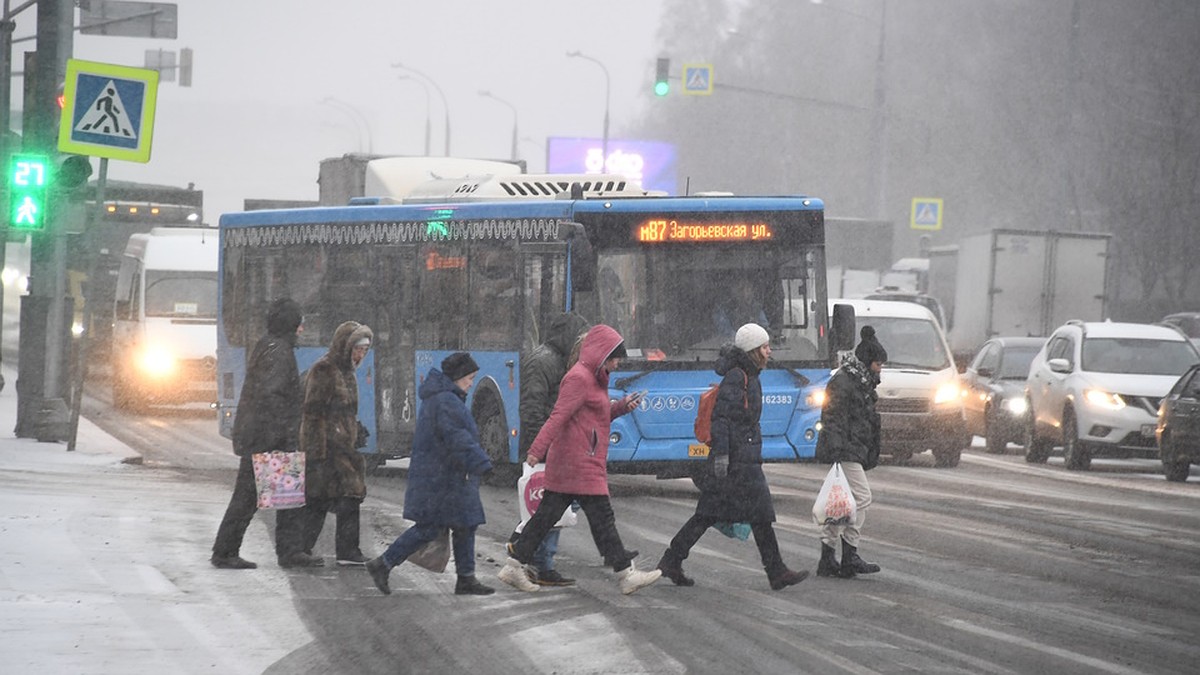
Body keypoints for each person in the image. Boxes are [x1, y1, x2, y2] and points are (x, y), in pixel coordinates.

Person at [497, 324, 662, 595]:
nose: (617, 362)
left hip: (580, 460)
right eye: (614, 356)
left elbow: (593, 418)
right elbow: (558, 416)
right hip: (578, 461)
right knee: (600, 518)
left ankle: (514, 565)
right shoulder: (579, 378)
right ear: (601, 354)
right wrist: (536, 450)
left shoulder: (592, 379)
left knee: (549, 517)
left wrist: (620, 407)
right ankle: (625, 573)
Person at [656, 323, 809, 591]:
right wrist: (723, 456)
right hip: (736, 460)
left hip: (742, 456)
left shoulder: (748, 374)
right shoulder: (738, 377)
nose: (769, 351)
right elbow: (722, 419)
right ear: (753, 350)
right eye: (764, 346)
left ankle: (672, 560)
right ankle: (775, 571)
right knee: (748, 514)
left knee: (716, 514)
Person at [366, 353, 495, 596]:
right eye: (469, 378)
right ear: (456, 377)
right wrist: (481, 462)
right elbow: (457, 437)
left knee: (465, 525)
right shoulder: (446, 401)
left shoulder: (444, 398)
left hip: (445, 476)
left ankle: (466, 578)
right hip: (443, 478)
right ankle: (383, 564)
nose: (471, 383)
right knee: (430, 528)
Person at [211, 298, 306, 569]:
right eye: (299, 324)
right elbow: (271, 396)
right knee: (249, 498)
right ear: (291, 325)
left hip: (261, 434)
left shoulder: (271, 347)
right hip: (267, 437)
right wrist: (282, 436)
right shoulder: (279, 352)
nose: (301, 329)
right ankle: (227, 552)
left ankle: (288, 551)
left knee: (285, 497)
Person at [508, 311, 591, 587]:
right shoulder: (544, 361)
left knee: (550, 506)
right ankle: (533, 556)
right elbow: (532, 408)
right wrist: (541, 447)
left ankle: (533, 555)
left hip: (554, 446)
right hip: (545, 448)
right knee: (548, 506)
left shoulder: (558, 360)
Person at [295, 321, 374, 567]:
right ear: (344, 347)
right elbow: (313, 413)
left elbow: (343, 411)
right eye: (357, 349)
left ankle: (345, 550)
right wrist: (315, 453)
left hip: (341, 447)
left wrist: (354, 429)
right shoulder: (325, 370)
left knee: (347, 495)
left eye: (364, 350)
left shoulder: (346, 372)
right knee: (320, 498)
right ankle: (304, 549)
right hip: (326, 448)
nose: (360, 355)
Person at [814, 325, 886, 578]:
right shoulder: (846, 382)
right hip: (845, 450)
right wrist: (838, 449)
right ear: (868, 362)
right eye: (878, 364)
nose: (881, 369)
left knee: (839, 504)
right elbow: (833, 416)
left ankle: (827, 557)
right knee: (862, 497)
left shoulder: (859, 381)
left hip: (850, 448)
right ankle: (850, 554)